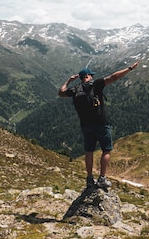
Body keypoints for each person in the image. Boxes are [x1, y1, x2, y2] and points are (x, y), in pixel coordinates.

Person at [58, 61, 140, 189]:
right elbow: (113, 77)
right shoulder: (96, 84)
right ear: (89, 76)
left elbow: (61, 92)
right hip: (101, 123)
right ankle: (102, 178)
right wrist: (129, 68)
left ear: (80, 78)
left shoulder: (75, 89)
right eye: (91, 75)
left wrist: (69, 80)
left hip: (86, 126)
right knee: (106, 150)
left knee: (89, 151)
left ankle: (89, 179)